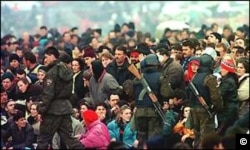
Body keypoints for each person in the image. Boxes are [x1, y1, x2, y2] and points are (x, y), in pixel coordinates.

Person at [36, 46, 84, 149]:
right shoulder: (68, 70)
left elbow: (48, 94)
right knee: (70, 139)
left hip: (52, 111)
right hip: (65, 108)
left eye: (46, 57)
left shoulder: (51, 73)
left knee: (43, 140)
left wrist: (41, 110)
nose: (45, 60)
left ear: (52, 56)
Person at [186, 54, 223, 148]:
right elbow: (216, 97)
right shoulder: (210, 78)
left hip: (194, 109)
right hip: (205, 111)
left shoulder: (195, 77)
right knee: (206, 138)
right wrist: (218, 108)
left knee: (197, 136)